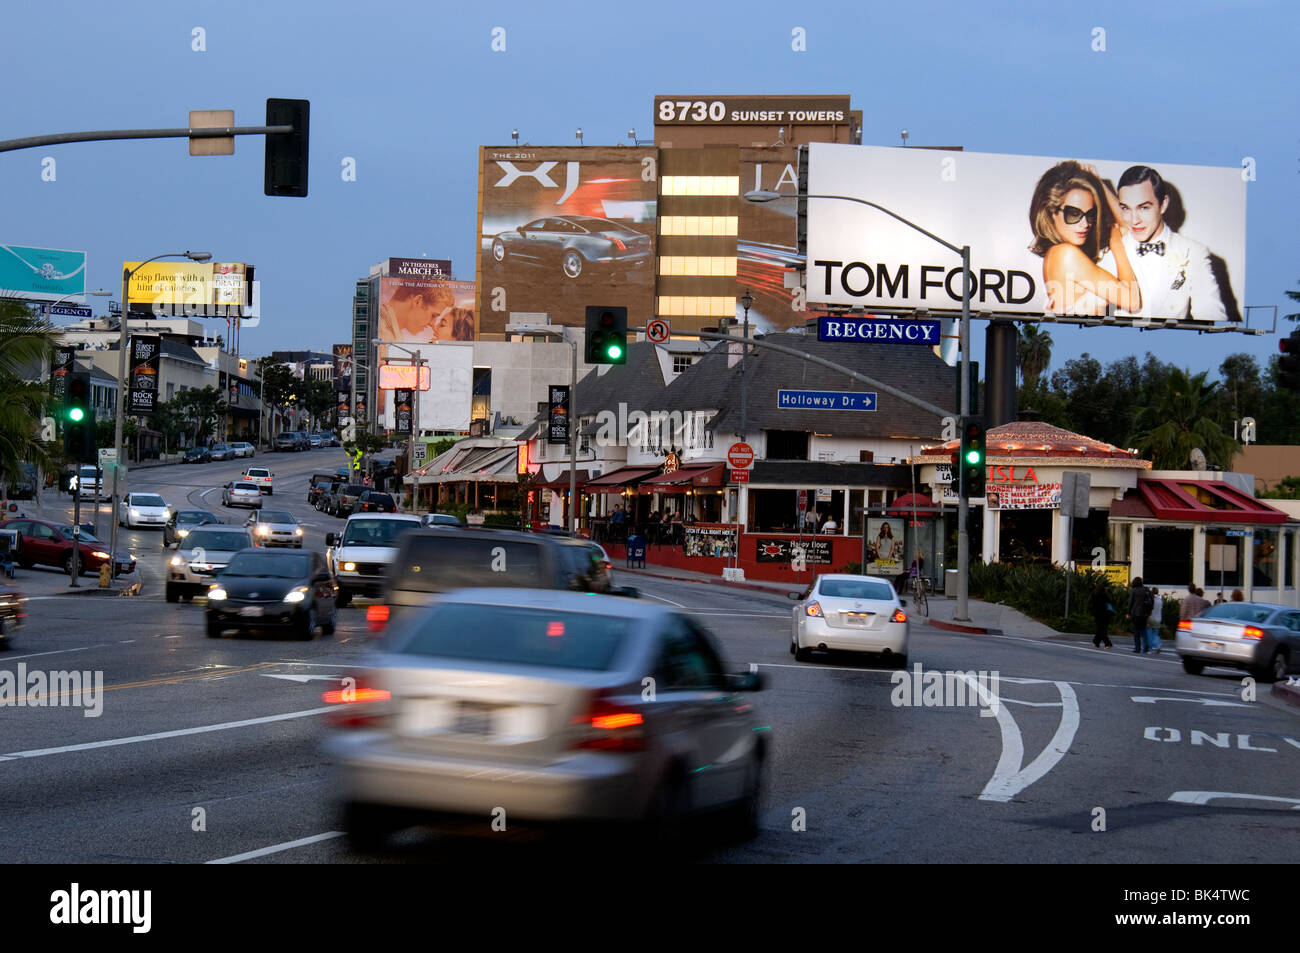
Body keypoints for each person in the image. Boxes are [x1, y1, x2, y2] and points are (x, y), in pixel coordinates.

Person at [1114, 165, 1228, 322]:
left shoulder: (1193, 252)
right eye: (1126, 208)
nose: (1134, 220)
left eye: (1144, 208)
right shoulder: (1112, 248)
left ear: (1163, 204)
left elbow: (1211, 315)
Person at [1028, 160, 1141, 316]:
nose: (1085, 223)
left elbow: (1128, 228)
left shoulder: (1057, 254)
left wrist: (1099, 183)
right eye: (1073, 214)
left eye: (1090, 214)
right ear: (1051, 212)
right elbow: (1133, 301)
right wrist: (1116, 245)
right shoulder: (1066, 255)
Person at [1128, 576, 1154, 653]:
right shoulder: (1146, 590)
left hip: (1136, 613)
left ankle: (1137, 648)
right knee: (1143, 630)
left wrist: (1128, 612)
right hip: (1145, 613)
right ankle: (1146, 647)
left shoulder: (1134, 591)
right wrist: (1149, 611)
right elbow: (1151, 601)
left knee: (1136, 631)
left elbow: (1130, 603)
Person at [1089, 581, 1114, 649]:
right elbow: (1110, 604)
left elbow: (1092, 605)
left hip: (1098, 614)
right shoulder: (1106, 596)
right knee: (1101, 629)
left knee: (1101, 629)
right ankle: (1096, 643)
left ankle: (1107, 643)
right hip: (1107, 615)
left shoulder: (1094, 595)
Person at [1146, 588, 1164, 655]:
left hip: (1151, 618)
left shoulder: (1151, 599)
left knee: (1150, 635)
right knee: (1156, 634)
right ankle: (1158, 644)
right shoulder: (1160, 600)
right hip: (1159, 619)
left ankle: (1155, 646)